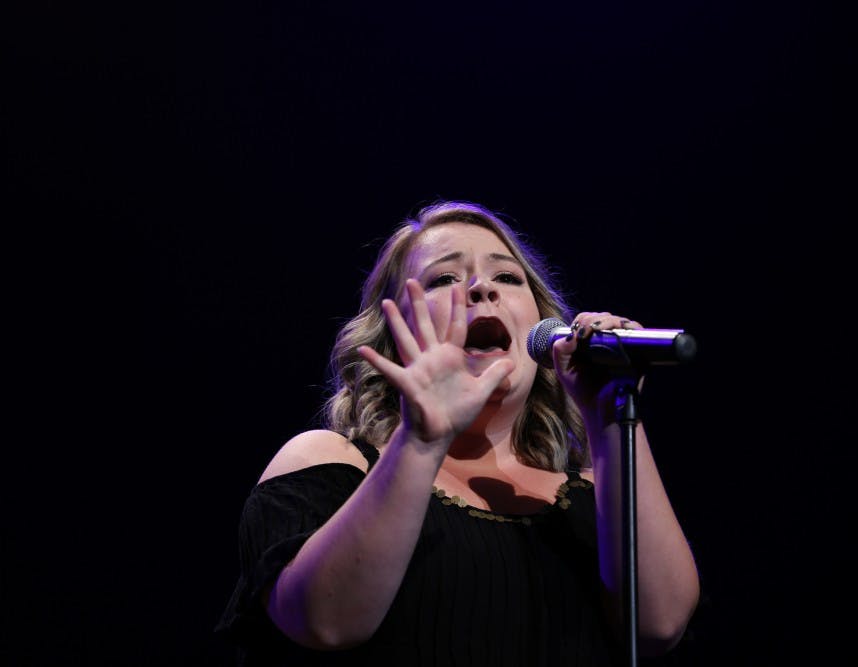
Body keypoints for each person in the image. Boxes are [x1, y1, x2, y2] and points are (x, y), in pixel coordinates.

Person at [215, 200, 701, 666]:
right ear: (392, 337)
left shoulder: (598, 497)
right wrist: (423, 440)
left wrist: (609, 415)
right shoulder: (334, 463)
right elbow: (326, 621)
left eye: (507, 277)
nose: (481, 288)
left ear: (543, 330)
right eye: (444, 278)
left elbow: (658, 628)